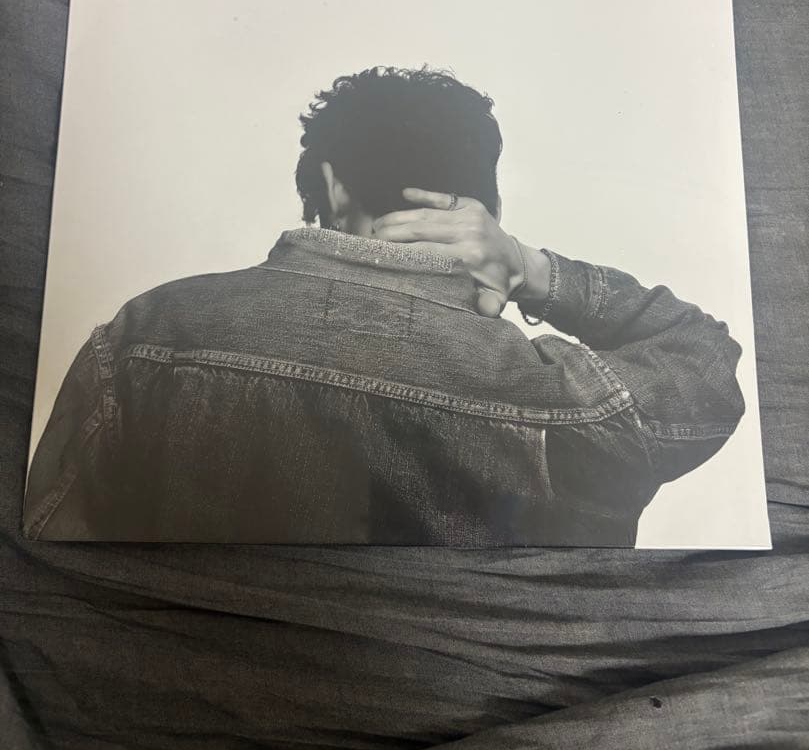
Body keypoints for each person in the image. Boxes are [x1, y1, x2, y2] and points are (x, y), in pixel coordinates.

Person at [22, 66, 745, 545]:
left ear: (333, 186)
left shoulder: (150, 333)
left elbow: (48, 568)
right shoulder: (565, 395)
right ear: (486, 208)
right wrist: (529, 267)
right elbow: (704, 362)